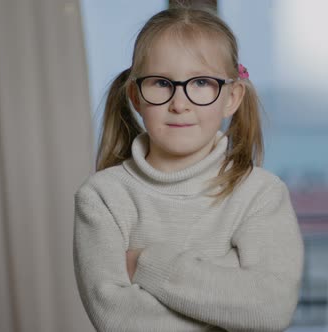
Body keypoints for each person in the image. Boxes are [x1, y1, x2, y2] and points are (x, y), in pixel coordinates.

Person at [73, 6, 304, 332]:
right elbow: (119, 321)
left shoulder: (261, 194)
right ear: (135, 97)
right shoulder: (102, 198)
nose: (179, 103)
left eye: (201, 83)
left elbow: (270, 310)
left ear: (231, 97)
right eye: (161, 83)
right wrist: (226, 286)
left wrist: (146, 265)